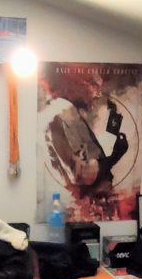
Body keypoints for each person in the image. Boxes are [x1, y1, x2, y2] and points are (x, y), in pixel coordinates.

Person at [41, 67, 129, 199]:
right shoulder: (99, 160)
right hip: (89, 153)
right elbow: (112, 145)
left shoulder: (81, 171)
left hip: (83, 155)